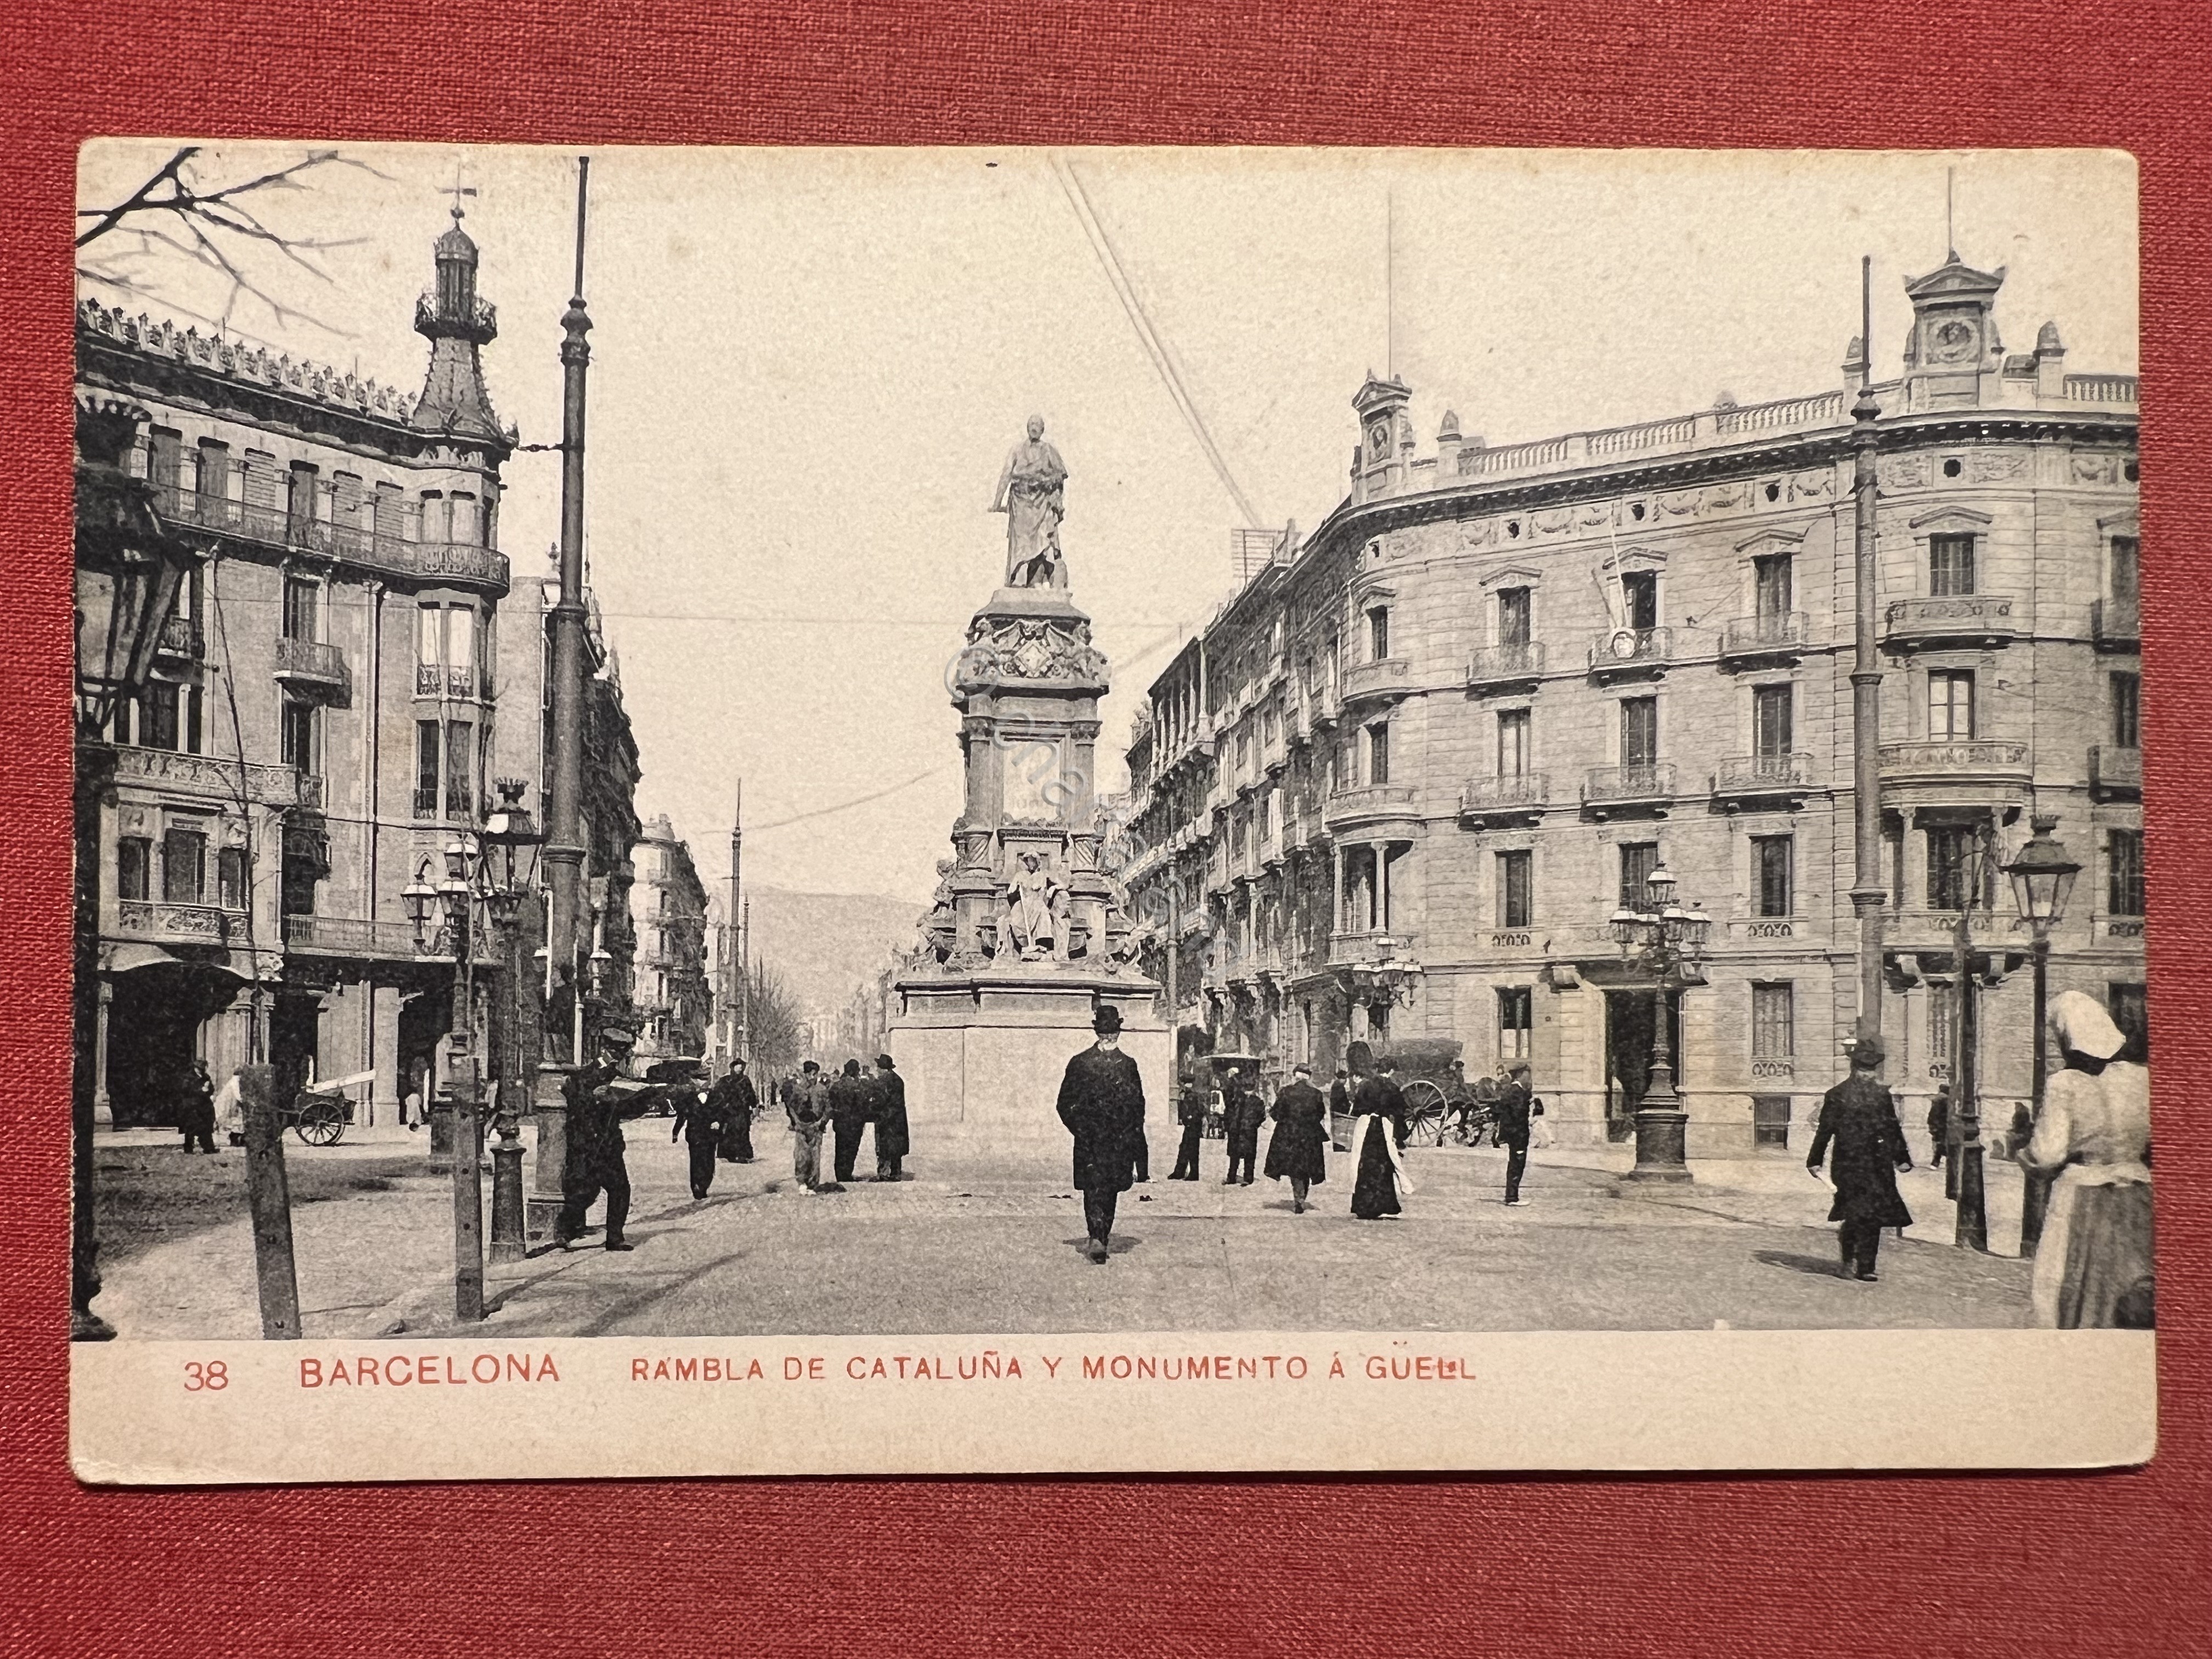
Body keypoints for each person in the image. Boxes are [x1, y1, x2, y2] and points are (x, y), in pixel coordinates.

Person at [2018, 991, 2152, 1328]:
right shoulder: (2142, 1078)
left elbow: (2048, 1154)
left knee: (2065, 1283)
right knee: (2132, 1285)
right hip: (2139, 1193)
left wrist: (2025, 1156)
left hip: (2082, 1194)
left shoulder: (2065, 1084)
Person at [1806, 1035, 1914, 1282]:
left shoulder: (1882, 1096)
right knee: (1855, 1214)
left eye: (1872, 1070)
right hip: (1848, 1163)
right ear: (1855, 1069)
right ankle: (1848, 1260)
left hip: (1878, 1164)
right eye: (1864, 1070)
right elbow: (1825, 1130)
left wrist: (1902, 1158)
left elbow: (1892, 1128)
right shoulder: (1837, 1095)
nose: (1869, 1075)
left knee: (1874, 1216)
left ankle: (1867, 1266)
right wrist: (1815, 1159)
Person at [1056, 1006, 1146, 1263]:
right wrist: (1083, 1130)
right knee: (1101, 1189)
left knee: (1102, 1189)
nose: (1109, 1035)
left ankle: (1099, 1236)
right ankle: (1098, 1236)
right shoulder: (1096, 1063)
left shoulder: (1115, 1064)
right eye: (1108, 1031)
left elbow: (1137, 1107)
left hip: (1105, 1141)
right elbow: (1064, 1103)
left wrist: (1082, 1129)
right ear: (1106, 1032)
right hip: (1102, 1140)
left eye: (1110, 1031)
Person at [556, 1037, 640, 1251]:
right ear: (603, 1050)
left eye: (620, 1053)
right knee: (586, 1191)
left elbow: (625, 1109)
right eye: (613, 1053)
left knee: (620, 1189)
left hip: (610, 1144)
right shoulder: (584, 1075)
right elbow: (573, 1102)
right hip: (587, 1144)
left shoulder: (619, 1078)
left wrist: (634, 1101)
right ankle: (564, 1231)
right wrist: (592, 1097)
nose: (616, 1057)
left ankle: (615, 1238)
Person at [1348, 1056, 1414, 1220]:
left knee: (1364, 1163)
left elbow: (1357, 1108)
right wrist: (1399, 1136)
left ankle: (1364, 1206)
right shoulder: (1392, 1088)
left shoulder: (1366, 1085)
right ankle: (1384, 1205)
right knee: (1385, 1165)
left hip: (1366, 1127)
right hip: (1384, 1127)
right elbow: (1400, 1112)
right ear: (1391, 1071)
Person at [1263, 1062, 1329, 1212]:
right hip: (1309, 1136)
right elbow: (1320, 1114)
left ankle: (1298, 1198)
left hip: (1289, 1136)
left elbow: (1275, 1114)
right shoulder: (1317, 1094)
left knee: (1295, 1168)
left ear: (1295, 1076)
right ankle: (1301, 1197)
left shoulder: (1286, 1092)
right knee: (1306, 1167)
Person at [1493, 1061, 1544, 1206]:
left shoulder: (1514, 1090)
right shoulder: (1516, 1092)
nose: (1530, 1077)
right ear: (1521, 1074)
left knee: (1515, 1163)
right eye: (1528, 1074)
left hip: (1515, 1133)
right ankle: (1512, 1198)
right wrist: (1530, 1119)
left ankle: (1511, 1196)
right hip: (1518, 1133)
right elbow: (1517, 1114)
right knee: (1517, 1164)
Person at [671, 1070, 725, 1201]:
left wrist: (719, 1122)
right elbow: (682, 1116)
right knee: (696, 1162)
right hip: (695, 1134)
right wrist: (675, 1132)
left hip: (710, 1135)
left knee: (709, 1162)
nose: (701, 1083)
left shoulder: (716, 1096)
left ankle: (705, 1185)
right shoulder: (689, 1098)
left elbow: (723, 1112)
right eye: (698, 1080)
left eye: (704, 1080)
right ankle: (696, 1187)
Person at [786, 1060, 832, 1193]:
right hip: (802, 1126)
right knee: (801, 1156)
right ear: (806, 1075)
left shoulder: (822, 1090)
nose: (813, 1077)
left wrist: (821, 1122)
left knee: (815, 1156)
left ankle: (812, 1184)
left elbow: (828, 1109)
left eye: (815, 1074)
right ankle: (802, 1182)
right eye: (811, 1074)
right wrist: (796, 1122)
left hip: (816, 1126)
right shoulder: (798, 1089)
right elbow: (791, 1107)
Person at [827, 1059, 874, 1188]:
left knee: (840, 1149)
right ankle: (847, 1175)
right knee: (851, 1150)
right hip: (854, 1124)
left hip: (840, 1123)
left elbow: (830, 1102)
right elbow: (863, 1105)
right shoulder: (857, 1087)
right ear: (855, 1072)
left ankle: (840, 1175)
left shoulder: (836, 1086)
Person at [1222, 1065, 1267, 1185]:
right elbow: (1262, 1116)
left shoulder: (1237, 1100)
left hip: (1237, 1130)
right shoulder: (1258, 1101)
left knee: (1234, 1156)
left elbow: (1229, 1112)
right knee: (1249, 1156)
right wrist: (1254, 1125)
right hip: (1249, 1131)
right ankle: (1248, 1178)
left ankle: (1231, 1177)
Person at [872, 1053, 910, 1182]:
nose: (877, 1070)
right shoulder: (898, 1080)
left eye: (878, 1068)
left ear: (883, 1069)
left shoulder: (883, 1081)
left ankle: (884, 1173)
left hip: (886, 1119)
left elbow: (880, 1101)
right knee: (896, 1148)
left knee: (884, 1146)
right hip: (898, 1120)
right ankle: (896, 1173)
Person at [713, 1059, 759, 1163]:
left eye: (742, 1066)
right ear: (733, 1068)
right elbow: (717, 1094)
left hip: (742, 1111)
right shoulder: (725, 1081)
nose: (740, 1068)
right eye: (738, 1066)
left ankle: (741, 1155)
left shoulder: (745, 1080)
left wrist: (754, 1105)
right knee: (730, 1132)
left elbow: (751, 1094)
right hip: (729, 1111)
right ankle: (729, 1154)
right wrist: (723, 1106)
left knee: (742, 1132)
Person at [1169, 1073, 1206, 1181]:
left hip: (1194, 1127)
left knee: (1193, 1151)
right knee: (1184, 1149)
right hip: (1189, 1127)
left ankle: (1194, 1174)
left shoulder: (1196, 1096)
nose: (1185, 1086)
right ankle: (1179, 1173)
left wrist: (1191, 1118)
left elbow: (1200, 1111)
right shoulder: (1186, 1094)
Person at [176, 1059, 217, 1155]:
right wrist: (201, 1090)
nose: (201, 1070)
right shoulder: (188, 1078)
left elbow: (211, 1089)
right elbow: (186, 1090)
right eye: (199, 1068)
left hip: (204, 1106)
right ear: (195, 1068)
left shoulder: (206, 1077)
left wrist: (208, 1091)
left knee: (206, 1127)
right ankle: (188, 1148)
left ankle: (208, 1147)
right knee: (191, 1128)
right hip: (192, 1106)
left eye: (203, 1068)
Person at [1927, 1084, 1951, 1171]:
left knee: (1939, 1144)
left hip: (1938, 1126)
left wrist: (1932, 1126)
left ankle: (1936, 1162)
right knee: (1943, 1144)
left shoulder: (1937, 1101)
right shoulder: (1947, 1101)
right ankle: (1937, 1162)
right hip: (1945, 1126)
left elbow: (1932, 1115)